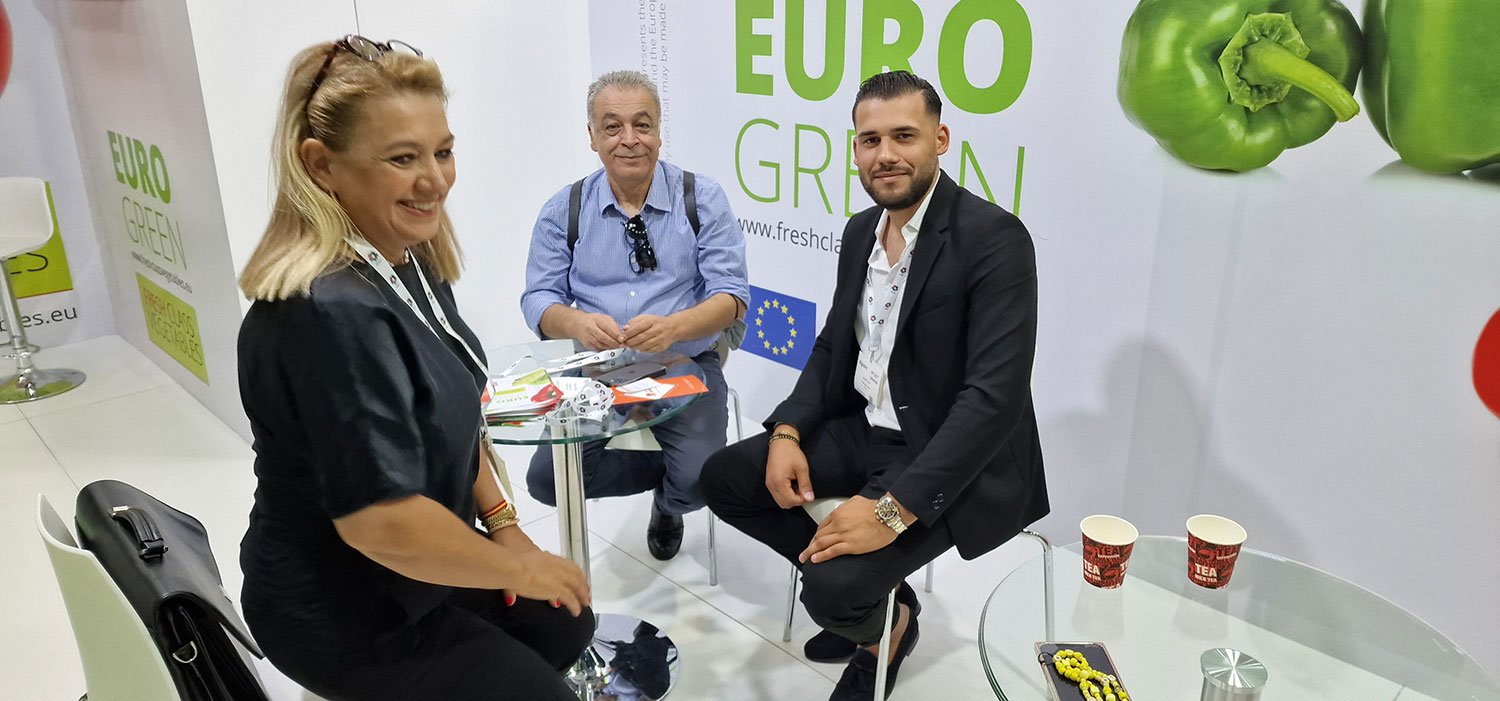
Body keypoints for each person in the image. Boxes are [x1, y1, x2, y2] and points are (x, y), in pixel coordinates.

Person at [236, 36, 593, 700]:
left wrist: (506, 528)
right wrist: (520, 569)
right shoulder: (328, 315)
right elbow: (381, 523)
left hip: (410, 571)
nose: (435, 180)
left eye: (443, 151)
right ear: (320, 164)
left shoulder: (409, 261)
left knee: (562, 622)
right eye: (403, 158)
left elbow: (458, 418)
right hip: (343, 607)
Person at [700, 70, 1049, 701]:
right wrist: (787, 430)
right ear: (855, 149)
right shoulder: (861, 231)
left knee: (832, 592)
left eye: (904, 136)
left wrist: (891, 513)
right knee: (725, 479)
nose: (885, 154)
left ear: (940, 140)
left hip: (943, 449)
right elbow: (834, 345)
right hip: (865, 427)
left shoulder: (995, 239)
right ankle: (886, 601)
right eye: (870, 140)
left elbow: (991, 401)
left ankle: (880, 631)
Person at [521, 70, 749, 560]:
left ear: (659, 131)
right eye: (612, 127)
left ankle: (669, 503)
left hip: (683, 364)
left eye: (642, 125)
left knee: (701, 481)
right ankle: (666, 475)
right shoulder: (564, 209)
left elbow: (732, 296)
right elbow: (538, 298)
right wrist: (577, 324)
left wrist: (674, 328)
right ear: (592, 136)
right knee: (545, 481)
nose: (629, 139)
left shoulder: (702, 199)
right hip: (595, 371)